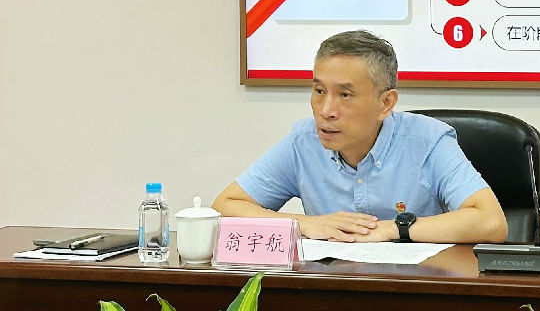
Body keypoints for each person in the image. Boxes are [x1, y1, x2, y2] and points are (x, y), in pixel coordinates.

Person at [213, 30, 508, 243]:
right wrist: (305, 224)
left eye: (345, 95)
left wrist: (392, 229)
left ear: (386, 104)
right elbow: (225, 207)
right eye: (319, 91)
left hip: (418, 291)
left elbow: (491, 222)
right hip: (333, 291)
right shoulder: (303, 142)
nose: (326, 110)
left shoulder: (428, 141)